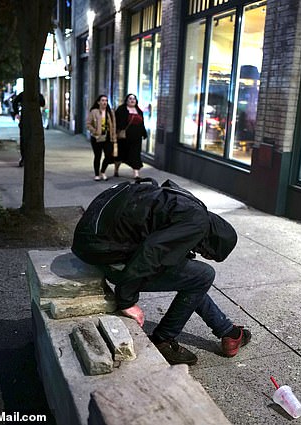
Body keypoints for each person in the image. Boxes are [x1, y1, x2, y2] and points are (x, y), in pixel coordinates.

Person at [71, 178, 251, 365]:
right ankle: (163, 340)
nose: (199, 253)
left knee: (192, 277)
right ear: (210, 243)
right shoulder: (197, 225)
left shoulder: (188, 205)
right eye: (205, 252)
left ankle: (229, 332)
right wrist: (127, 300)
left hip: (91, 240)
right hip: (103, 253)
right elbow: (150, 252)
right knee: (203, 275)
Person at [114, 94, 148, 180]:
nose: (132, 100)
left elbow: (142, 123)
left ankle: (136, 173)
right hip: (124, 137)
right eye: (130, 99)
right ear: (126, 100)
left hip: (136, 137)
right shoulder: (121, 110)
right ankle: (116, 169)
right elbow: (116, 122)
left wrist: (144, 133)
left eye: (134, 99)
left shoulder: (139, 111)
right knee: (121, 154)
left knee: (135, 154)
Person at [86, 95, 118, 181]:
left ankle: (102, 171)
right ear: (98, 102)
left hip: (108, 137)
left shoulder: (110, 112)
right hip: (97, 138)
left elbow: (114, 125)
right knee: (98, 156)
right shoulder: (94, 112)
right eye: (103, 100)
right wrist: (94, 131)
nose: (104, 102)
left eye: (106, 101)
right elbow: (88, 124)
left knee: (108, 155)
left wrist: (114, 136)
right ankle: (97, 174)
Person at [12, 91, 46, 167]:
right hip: (33, 120)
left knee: (24, 139)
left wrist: (16, 112)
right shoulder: (37, 95)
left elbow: (15, 102)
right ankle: (28, 158)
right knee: (31, 139)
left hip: (26, 119)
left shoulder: (23, 94)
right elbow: (43, 103)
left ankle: (25, 158)